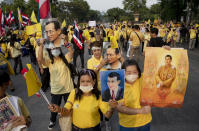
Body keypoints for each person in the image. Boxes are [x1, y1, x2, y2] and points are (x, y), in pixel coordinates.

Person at [48, 69, 114, 131]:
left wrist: (111, 108)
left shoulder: (99, 96)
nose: (85, 84)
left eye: (88, 81)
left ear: (94, 82)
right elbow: (67, 110)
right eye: (82, 81)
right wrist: (59, 109)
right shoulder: (74, 92)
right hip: (75, 129)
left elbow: (107, 115)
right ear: (79, 82)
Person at [38, 20, 74, 130]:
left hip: (68, 89)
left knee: (70, 108)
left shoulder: (66, 58)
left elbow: (71, 51)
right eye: (52, 49)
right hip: (55, 90)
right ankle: (52, 121)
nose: (54, 50)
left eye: (55, 48)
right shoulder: (49, 62)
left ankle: (72, 121)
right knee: (53, 108)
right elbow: (39, 59)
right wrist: (40, 45)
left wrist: (65, 40)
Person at [109, 59, 152, 131]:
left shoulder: (143, 78)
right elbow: (120, 108)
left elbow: (156, 70)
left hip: (145, 122)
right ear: (123, 73)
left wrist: (163, 51)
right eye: (128, 73)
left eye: (135, 72)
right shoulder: (117, 85)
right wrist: (140, 111)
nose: (132, 75)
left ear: (138, 72)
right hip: (127, 125)